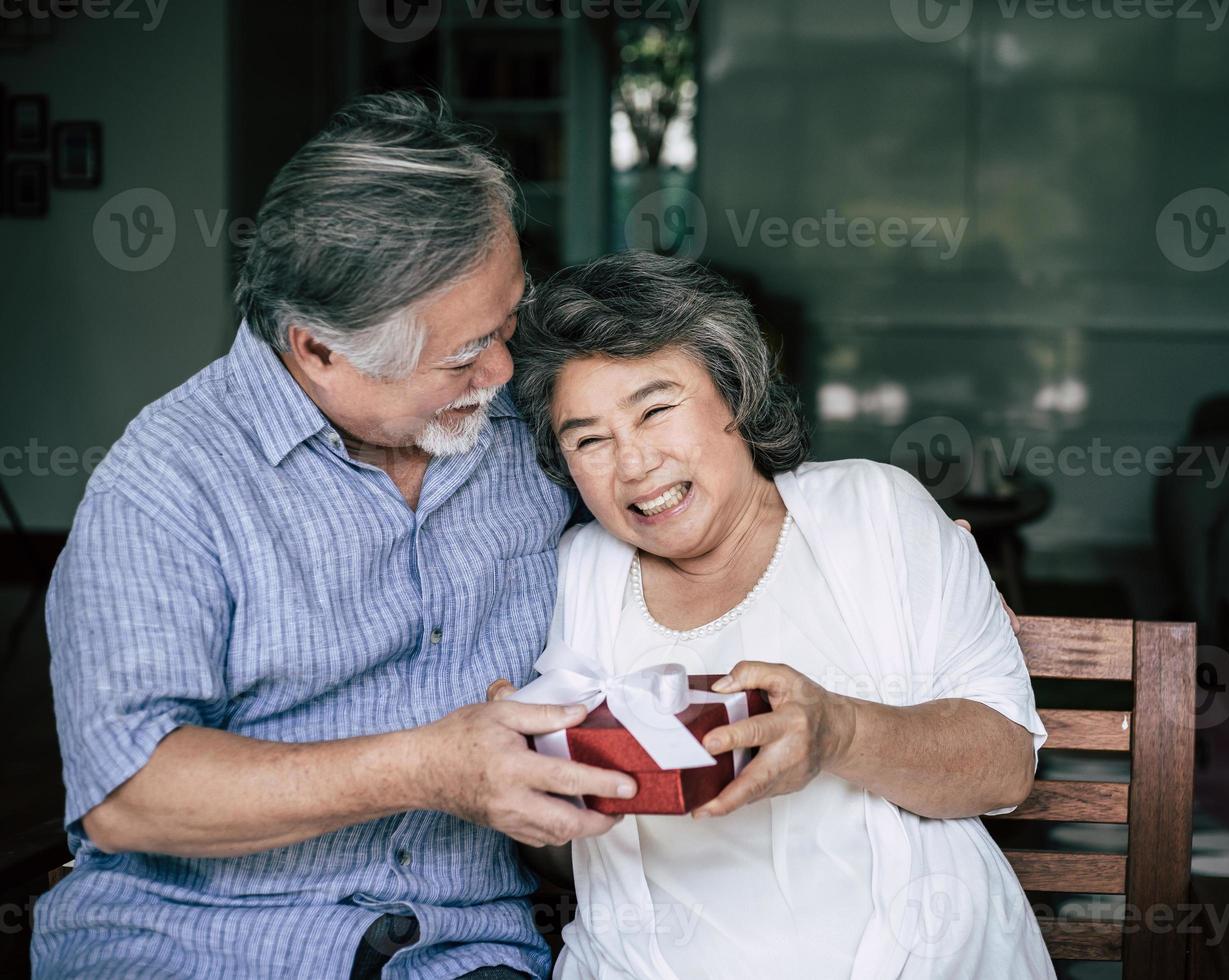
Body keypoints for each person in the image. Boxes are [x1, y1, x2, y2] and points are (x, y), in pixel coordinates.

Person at [34, 92, 639, 980]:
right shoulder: (167, 482)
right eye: (465, 353)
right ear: (317, 349)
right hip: (193, 944)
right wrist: (429, 769)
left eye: (509, 322)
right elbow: (130, 797)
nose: (506, 369)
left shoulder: (529, 428)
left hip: (458, 951)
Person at [508, 251, 1055, 979]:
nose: (632, 463)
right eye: (589, 440)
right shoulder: (574, 573)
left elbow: (1005, 769)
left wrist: (839, 732)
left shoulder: (876, 514)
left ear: (734, 394)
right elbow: (566, 850)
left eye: (655, 409)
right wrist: (533, 788)